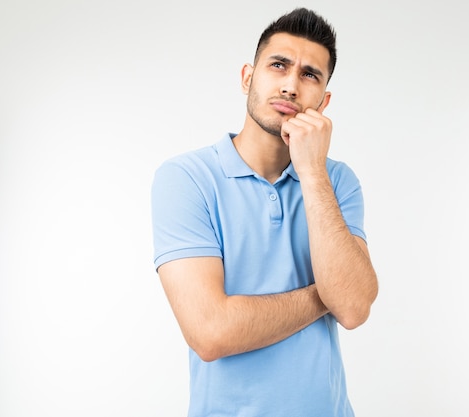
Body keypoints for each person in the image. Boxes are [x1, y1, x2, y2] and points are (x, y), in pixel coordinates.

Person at [151, 7, 378, 416]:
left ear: (323, 102)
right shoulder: (186, 178)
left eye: (310, 74)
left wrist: (311, 172)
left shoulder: (336, 181)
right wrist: (324, 294)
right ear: (247, 78)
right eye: (279, 65)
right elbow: (210, 332)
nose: (291, 85)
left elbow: (355, 308)